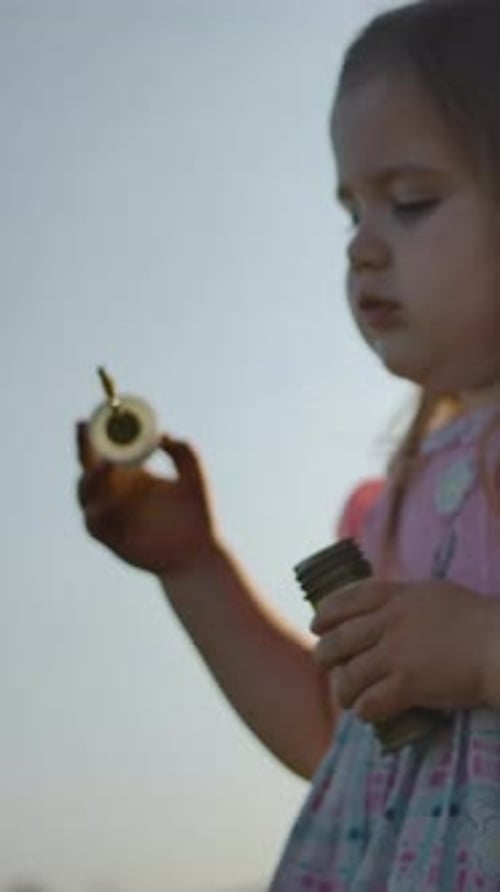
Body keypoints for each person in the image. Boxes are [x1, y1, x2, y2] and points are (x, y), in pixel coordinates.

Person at [76, 0, 500, 887]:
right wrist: (192, 565)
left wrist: (481, 652)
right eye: (352, 211)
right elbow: (332, 736)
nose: (362, 251)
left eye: (411, 202)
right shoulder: (401, 495)